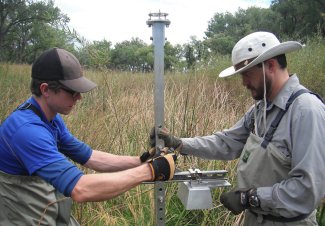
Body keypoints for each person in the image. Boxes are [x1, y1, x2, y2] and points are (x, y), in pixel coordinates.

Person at [151, 32, 325, 225]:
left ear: (270, 66)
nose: (244, 83)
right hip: (255, 219)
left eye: (247, 74)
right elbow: (226, 143)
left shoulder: (306, 111)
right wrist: (179, 143)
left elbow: (308, 190)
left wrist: (249, 197)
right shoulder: (260, 110)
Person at [0, 47, 176, 225]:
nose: (79, 98)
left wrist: (143, 160)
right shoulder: (27, 131)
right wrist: (150, 171)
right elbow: (81, 189)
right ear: (45, 89)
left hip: (43, 211)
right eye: (72, 91)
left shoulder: (49, 117)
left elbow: (90, 157)